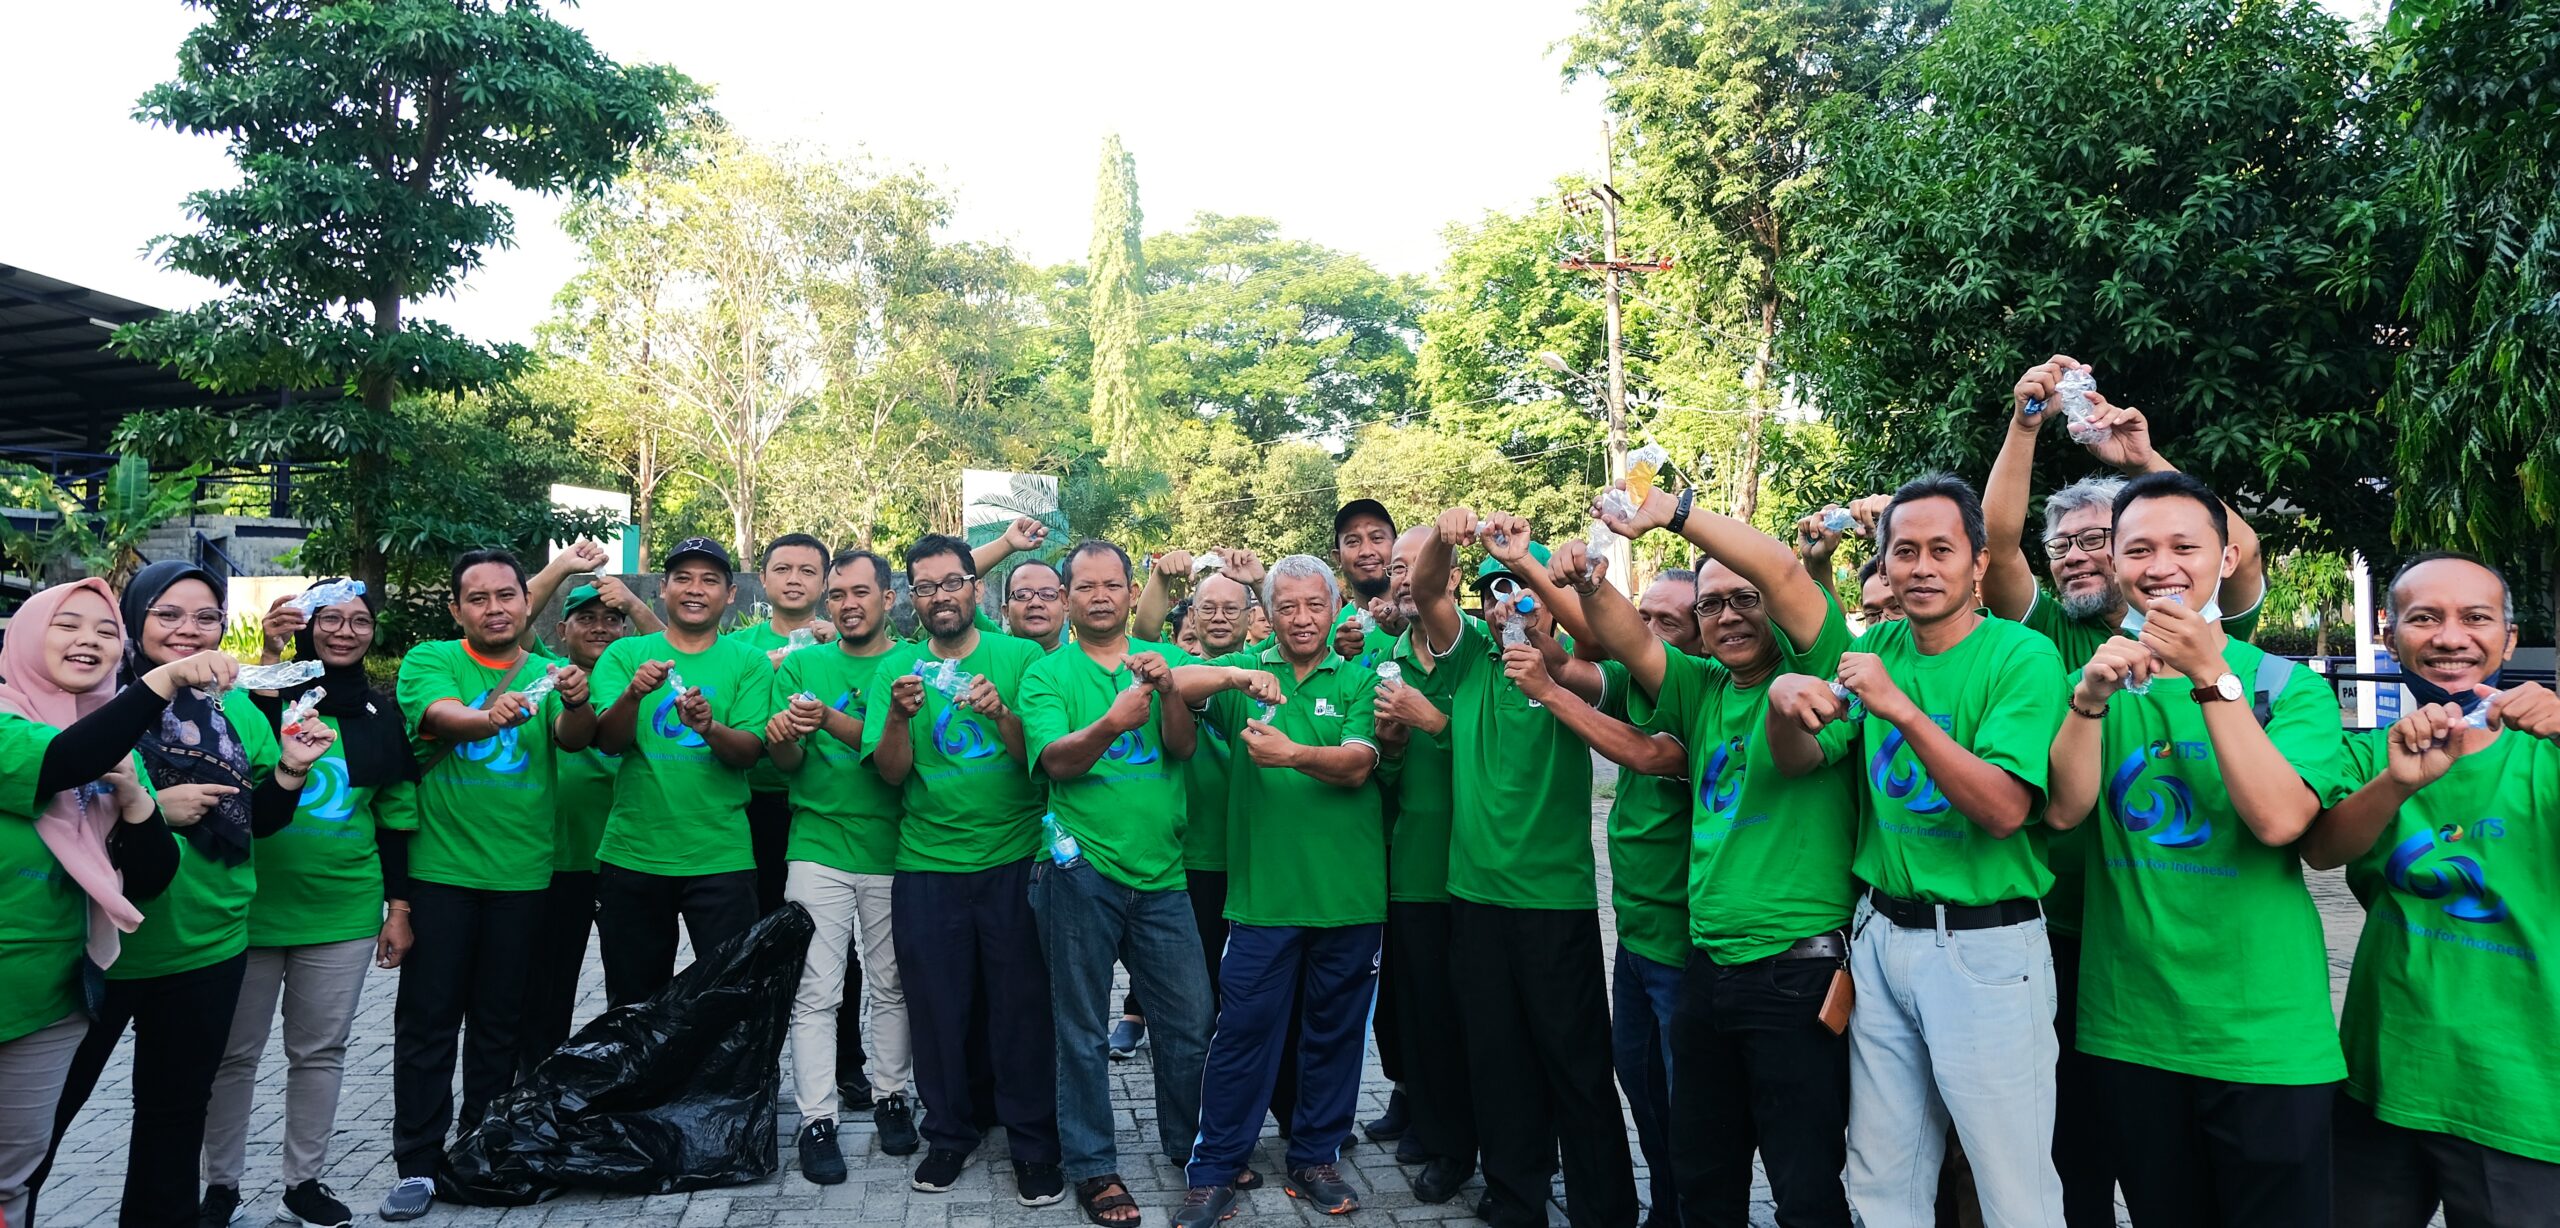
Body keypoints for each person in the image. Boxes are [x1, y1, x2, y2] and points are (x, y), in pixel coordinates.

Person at [1983, 355, 2270, 1228]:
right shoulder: (2049, 642)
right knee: (2070, 1147)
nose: (2072, 559)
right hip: (2056, 927)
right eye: (2060, 545)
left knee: (2165, 1160)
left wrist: (2144, 459)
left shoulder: (2199, 631)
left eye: (2093, 543)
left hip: (2167, 944)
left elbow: (2238, 548)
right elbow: (1996, 544)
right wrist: (2027, 418)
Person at [2044, 473, 2350, 1226]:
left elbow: (2282, 822)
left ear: (2226, 554)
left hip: (2267, 1038)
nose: (2162, 566)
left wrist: (2212, 677)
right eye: (2139, 548)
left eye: (2186, 546)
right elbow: (2061, 812)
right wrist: (2087, 702)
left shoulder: (2283, 686)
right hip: (2129, 1028)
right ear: (2113, 561)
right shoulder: (2085, 684)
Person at [1766, 474, 2069, 1228]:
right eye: (1904, 551)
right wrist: (1782, 707)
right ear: (1884, 565)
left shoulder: (2022, 657)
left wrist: (1899, 707)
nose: (1922, 567)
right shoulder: (1882, 646)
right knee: (1882, 1177)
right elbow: (1804, 759)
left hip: (1986, 950)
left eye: (1942, 549)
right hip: (1879, 937)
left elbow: (2004, 808)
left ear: (1978, 561)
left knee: (2013, 1186)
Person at [1586, 482, 1867, 1228]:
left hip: (1796, 972)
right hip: (1705, 964)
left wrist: (1675, 514)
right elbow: (1632, 640)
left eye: (1744, 600)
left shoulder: (1817, 666)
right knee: (1703, 1174)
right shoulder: (1705, 688)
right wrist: (1580, 578)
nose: (1728, 615)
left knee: (1805, 1183)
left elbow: (1780, 571)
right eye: (1711, 605)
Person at [38, 561, 331, 1228]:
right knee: (42, 1120)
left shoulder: (233, 708)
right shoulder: (88, 703)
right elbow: (54, 805)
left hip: (210, 944)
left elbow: (259, 822)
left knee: (174, 1122)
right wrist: (150, 809)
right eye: (168, 614)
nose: (187, 629)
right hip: (103, 952)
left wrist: (290, 768)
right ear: (134, 621)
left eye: (206, 616)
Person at [2301, 553, 2560, 1228]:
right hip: (2380, 1076)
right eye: (2425, 617)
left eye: (2476, 618)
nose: (2450, 637)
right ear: (2389, 635)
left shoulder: (2549, 758)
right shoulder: (2366, 756)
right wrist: (2400, 782)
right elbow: (2322, 849)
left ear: (2508, 638)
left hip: (2521, 1093)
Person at [1411, 512, 1637, 1228]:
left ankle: (1604, 1208)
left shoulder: (1575, 668)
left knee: (1575, 1067)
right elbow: (1424, 595)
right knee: (1498, 1060)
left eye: (1522, 590)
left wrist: (1534, 574)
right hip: (1474, 898)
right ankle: (1515, 1195)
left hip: (1554, 901)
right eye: (1493, 590)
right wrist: (1447, 542)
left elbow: (1597, 636)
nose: (1506, 601)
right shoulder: (1473, 656)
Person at [1169, 554, 1384, 1227]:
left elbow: (1358, 764)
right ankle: (1212, 1169)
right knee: (1242, 1035)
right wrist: (1237, 672)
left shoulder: (1359, 677)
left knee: (1334, 1035)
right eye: (1286, 605)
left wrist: (1291, 753)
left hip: (1348, 896)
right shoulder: (1248, 674)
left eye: (1313, 605)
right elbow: (1175, 684)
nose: (1301, 618)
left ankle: (1315, 1156)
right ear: (1268, 612)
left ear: (1333, 606)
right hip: (1262, 899)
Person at [381, 549, 595, 1222]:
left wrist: (581, 701)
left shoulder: (548, 672)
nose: (495, 608)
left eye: (507, 596)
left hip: (526, 875)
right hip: (441, 874)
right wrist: (490, 716)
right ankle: (417, 1160)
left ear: (527, 605)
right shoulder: (430, 661)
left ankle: (479, 1146)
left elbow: (573, 737)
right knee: (428, 1021)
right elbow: (443, 717)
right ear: (457, 610)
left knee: (502, 1024)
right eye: (479, 598)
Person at [202, 580, 418, 1228]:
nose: (345, 631)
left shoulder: (382, 717)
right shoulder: (260, 699)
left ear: (373, 632)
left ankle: (304, 1183)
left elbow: (395, 819)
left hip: (342, 912)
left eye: (359, 621)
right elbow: (231, 744)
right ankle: (220, 1186)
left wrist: (399, 908)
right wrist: (268, 655)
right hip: (249, 907)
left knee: (320, 1052)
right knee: (234, 1054)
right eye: (331, 619)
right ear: (307, 625)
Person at [862, 535, 1062, 1203]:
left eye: (953, 582)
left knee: (1020, 1010)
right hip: (926, 864)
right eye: (926, 586)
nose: (941, 596)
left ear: (976, 589)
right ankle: (949, 1133)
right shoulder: (894, 669)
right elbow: (891, 774)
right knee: (937, 1010)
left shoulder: (1021, 657)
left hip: (1014, 860)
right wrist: (895, 714)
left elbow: (1041, 755)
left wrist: (1000, 711)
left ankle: (1033, 1143)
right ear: (910, 599)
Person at [1021, 540, 1214, 1226]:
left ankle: (1193, 1149)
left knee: (1189, 1020)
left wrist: (1166, 692)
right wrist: (1109, 722)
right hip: (1081, 871)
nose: (1100, 596)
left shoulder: (1167, 662)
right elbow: (1056, 763)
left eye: (1113, 585)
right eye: (1086, 586)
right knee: (1080, 1027)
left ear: (1133, 594)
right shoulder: (1047, 676)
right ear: (1068, 598)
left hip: (1162, 871)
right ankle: (1094, 1168)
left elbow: (1184, 748)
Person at [0, 578, 185, 1228]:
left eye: (107, 631)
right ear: (24, 635)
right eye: (68, 624)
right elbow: (60, 764)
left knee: (12, 1180)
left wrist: (138, 806)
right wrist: (162, 683)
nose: (89, 641)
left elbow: (151, 877)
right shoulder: (13, 725)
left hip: (51, 1004)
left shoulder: (108, 741)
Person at [767, 550, 922, 1184]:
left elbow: (900, 764)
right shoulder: (801, 663)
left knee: (890, 984)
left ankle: (892, 1096)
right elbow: (787, 767)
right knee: (816, 993)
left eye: (862, 592)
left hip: (895, 846)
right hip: (817, 845)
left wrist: (829, 720)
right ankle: (816, 1119)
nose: (848, 603)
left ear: (889, 598)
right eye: (838, 594)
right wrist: (781, 734)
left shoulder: (914, 666)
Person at [588, 537, 777, 1007]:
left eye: (710, 580)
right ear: (663, 588)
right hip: (634, 855)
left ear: (730, 595)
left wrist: (709, 726)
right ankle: (643, 1086)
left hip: (722, 858)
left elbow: (750, 752)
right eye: (684, 578)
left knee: (727, 999)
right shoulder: (624, 656)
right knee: (634, 1003)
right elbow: (608, 743)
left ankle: (716, 1085)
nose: (696, 589)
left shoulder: (749, 662)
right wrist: (633, 695)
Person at [514, 573, 657, 1075]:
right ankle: (538, 1088)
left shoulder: (639, 674)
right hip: (561, 857)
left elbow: (684, 651)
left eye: (611, 619)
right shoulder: (544, 672)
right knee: (548, 986)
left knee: (632, 985)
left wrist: (635, 605)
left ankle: (629, 1086)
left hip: (626, 855)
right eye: (586, 619)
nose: (600, 628)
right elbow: (516, 615)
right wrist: (565, 565)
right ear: (561, 629)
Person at [1371, 526, 1475, 1204]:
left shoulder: (1487, 654)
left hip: (1481, 872)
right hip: (1412, 872)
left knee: (1484, 1021)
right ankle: (1444, 1144)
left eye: (1419, 565)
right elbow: (1379, 783)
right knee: (1425, 1019)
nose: (1405, 578)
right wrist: (1391, 746)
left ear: (1451, 576)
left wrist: (1432, 719)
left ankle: (1512, 1141)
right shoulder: (1381, 664)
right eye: (1396, 567)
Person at [1003, 558, 1068, 653]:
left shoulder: (1084, 663)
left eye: (1048, 595)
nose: (1035, 603)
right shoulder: (992, 652)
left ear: (1066, 610)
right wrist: (1008, 544)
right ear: (1006, 612)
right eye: (1022, 595)